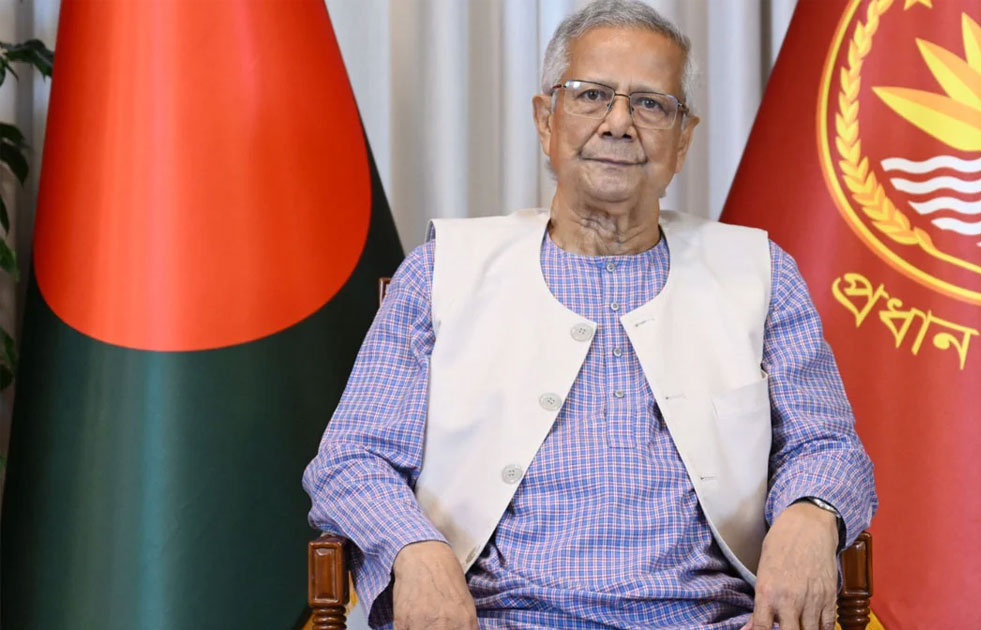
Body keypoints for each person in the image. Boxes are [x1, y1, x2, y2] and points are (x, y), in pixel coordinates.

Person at [303, 1, 876, 629]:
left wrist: (812, 512)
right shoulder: (441, 273)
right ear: (545, 119)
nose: (619, 123)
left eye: (650, 104)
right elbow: (352, 459)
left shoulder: (759, 275)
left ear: (683, 139)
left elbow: (828, 445)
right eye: (592, 95)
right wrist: (415, 549)